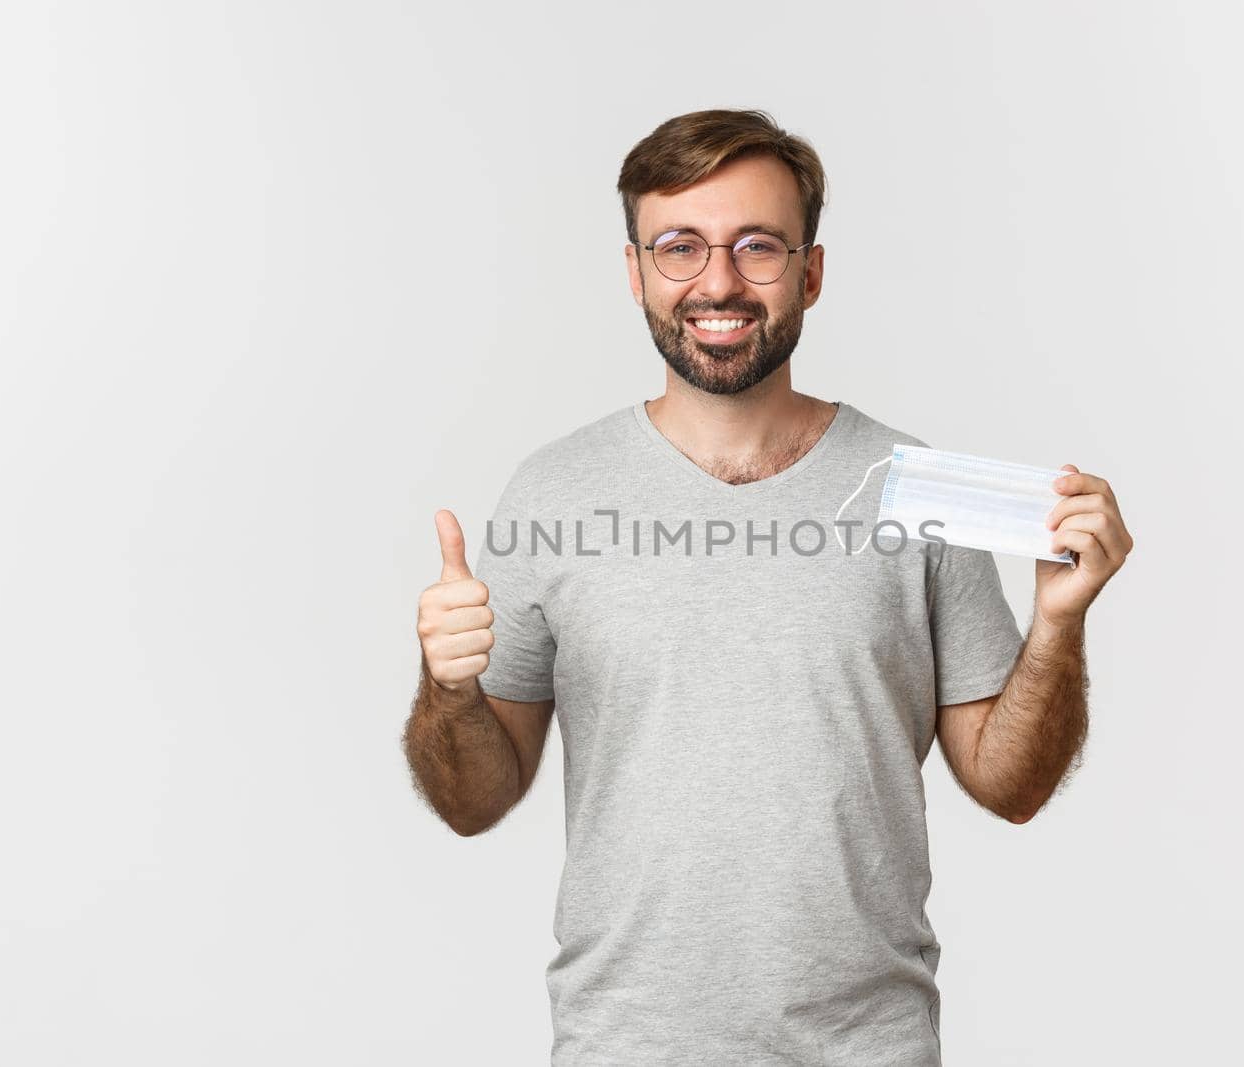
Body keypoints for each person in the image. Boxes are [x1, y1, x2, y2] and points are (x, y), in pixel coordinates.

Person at [404, 108, 1134, 1066]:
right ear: (634, 274)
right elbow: (473, 800)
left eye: (757, 247)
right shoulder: (554, 492)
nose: (718, 282)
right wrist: (445, 686)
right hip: (625, 1045)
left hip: (866, 1047)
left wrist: (1058, 625)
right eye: (679, 247)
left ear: (811, 272)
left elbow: (1011, 785)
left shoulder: (911, 487)